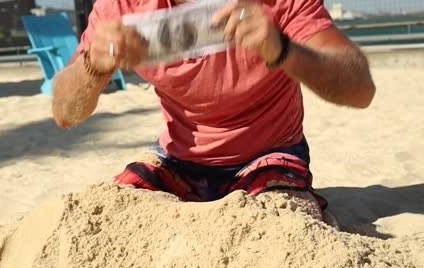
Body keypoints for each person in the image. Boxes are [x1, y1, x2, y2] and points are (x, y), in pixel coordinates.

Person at [52, 0, 375, 220]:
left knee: (281, 227)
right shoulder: (122, 6)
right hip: (176, 160)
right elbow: (65, 113)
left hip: (270, 154)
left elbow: (360, 91)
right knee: (106, 216)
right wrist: (92, 65)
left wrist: (283, 49)